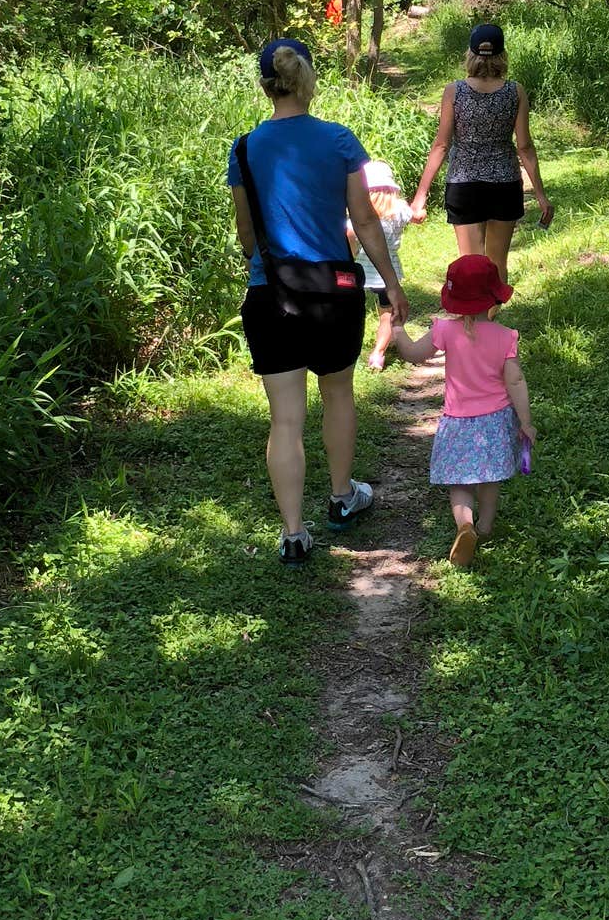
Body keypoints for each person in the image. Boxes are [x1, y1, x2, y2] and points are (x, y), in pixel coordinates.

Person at [229, 37, 410, 566]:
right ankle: (341, 498)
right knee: (337, 393)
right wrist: (393, 286)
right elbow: (367, 221)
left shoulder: (243, 150)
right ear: (308, 81)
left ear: (267, 86)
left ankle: (292, 534)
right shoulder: (337, 141)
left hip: (271, 294)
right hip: (333, 293)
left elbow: (246, 236)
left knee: (284, 418)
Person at [383, 253, 534, 568]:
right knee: (489, 480)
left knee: (460, 483)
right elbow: (516, 380)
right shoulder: (505, 336)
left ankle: (464, 525)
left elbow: (413, 355)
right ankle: (485, 527)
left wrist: (398, 331)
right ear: (493, 296)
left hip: (457, 423)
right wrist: (526, 422)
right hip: (495, 422)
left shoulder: (445, 331)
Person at [409, 22, 553, 282]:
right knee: (497, 265)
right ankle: (490, 320)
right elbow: (524, 146)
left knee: (471, 265)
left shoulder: (454, 91)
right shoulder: (515, 91)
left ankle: (473, 322)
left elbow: (442, 144)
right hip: (504, 184)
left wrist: (420, 196)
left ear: (471, 54)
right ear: (502, 55)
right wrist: (541, 195)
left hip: (464, 185)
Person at [350, 161, 412, 373]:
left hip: (363, 272)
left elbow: (349, 233)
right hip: (388, 274)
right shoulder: (401, 210)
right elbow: (416, 215)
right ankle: (379, 352)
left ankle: (355, 347)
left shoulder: (359, 216)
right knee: (387, 312)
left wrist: (352, 252)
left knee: (357, 309)